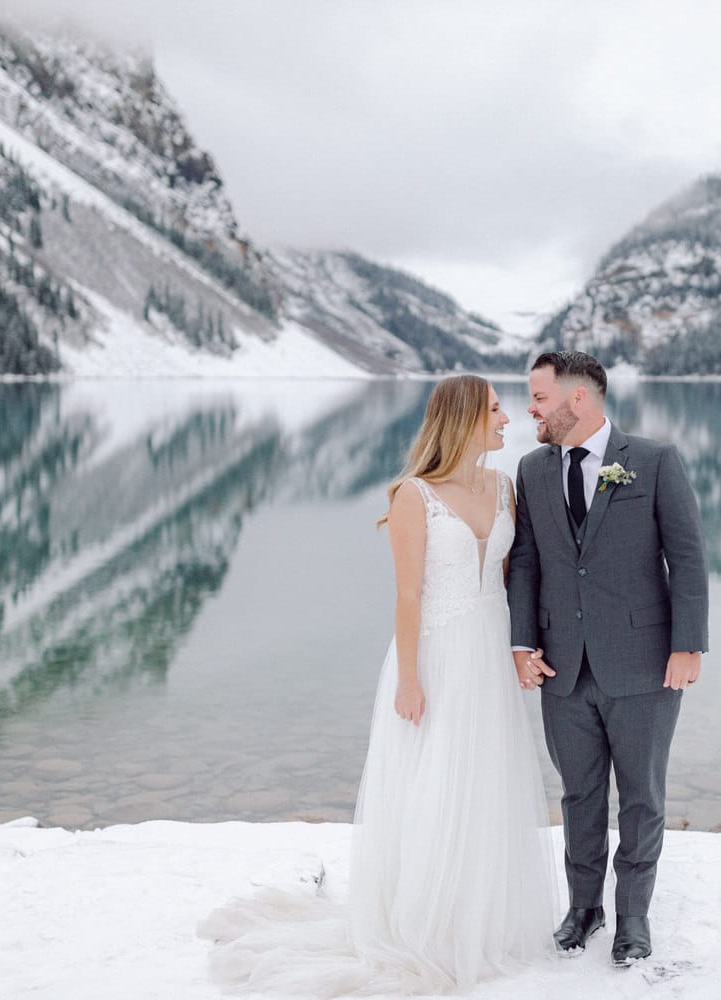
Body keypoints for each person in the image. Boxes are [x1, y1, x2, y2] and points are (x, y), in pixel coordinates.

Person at [200, 375, 557, 996]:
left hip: (486, 654)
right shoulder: (413, 496)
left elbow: (511, 576)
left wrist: (522, 646)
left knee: (482, 781)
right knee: (433, 783)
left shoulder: (504, 488)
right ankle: (423, 920)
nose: (508, 419)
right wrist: (410, 681)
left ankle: (476, 918)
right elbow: (408, 597)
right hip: (436, 657)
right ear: (466, 417)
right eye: (496, 410)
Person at [507, 350, 709, 967]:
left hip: (645, 664)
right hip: (561, 667)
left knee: (643, 797)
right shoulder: (532, 469)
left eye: (538, 397)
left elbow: (688, 558)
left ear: (578, 399)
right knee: (579, 794)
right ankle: (584, 907)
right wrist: (521, 643)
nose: (530, 409)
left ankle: (634, 918)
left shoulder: (653, 461)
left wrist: (687, 645)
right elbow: (527, 563)